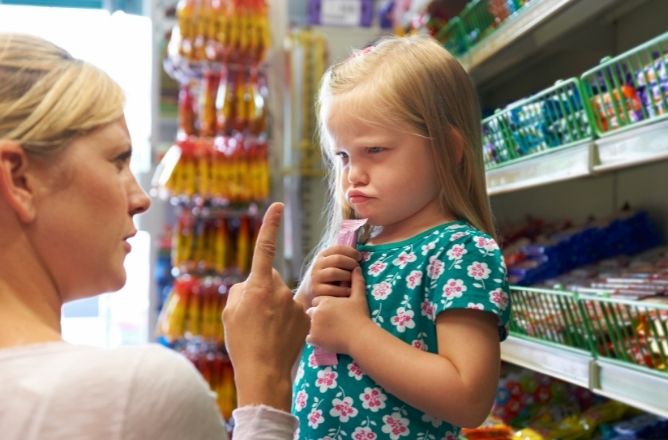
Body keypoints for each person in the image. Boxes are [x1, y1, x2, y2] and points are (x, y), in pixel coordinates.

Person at [0, 33, 306, 439]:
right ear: (19, 180)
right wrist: (265, 383)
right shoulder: (131, 392)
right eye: (117, 161)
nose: (141, 198)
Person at [293, 35, 511, 439]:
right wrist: (306, 296)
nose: (352, 174)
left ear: (447, 148)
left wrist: (356, 334)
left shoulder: (460, 251)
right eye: (342, 156)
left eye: (374, 150)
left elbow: (469, 397)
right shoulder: (357, 246)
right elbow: (288, 350)